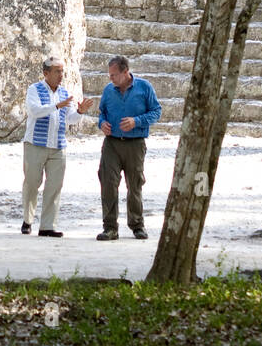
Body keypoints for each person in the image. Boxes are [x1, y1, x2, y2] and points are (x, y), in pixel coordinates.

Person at [21, 55, 93, 238]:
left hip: (58, 145)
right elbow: (34, 111)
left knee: (54, 186)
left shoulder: (64, 92)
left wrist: (80, 112)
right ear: (46, 73)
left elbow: (70, 119)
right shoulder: (34, 89)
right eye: (57, 71)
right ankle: (28, 219)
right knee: (32, 183)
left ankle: (47, 226)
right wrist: (56, 106)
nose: (61, 75)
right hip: (35, 144)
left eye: (62, 71)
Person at [96, 54, 161, 241]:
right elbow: (102, 114)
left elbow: (157, 111)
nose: (111, 78)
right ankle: (110, 228)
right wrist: (102, 124)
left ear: (126, 72)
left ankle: (137, 225)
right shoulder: (108, 90)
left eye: (114, 75)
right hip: (112, 144)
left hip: (135, 143)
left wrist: (137, 121)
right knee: (108, 182)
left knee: (135, 184)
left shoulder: (144, 87)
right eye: (109, 75)